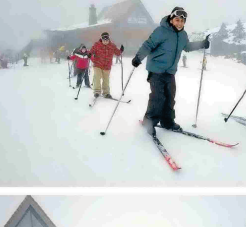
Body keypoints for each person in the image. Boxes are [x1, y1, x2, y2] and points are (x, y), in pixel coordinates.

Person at [131, 7, 210, 137]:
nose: (179, 23)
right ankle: (149, 121)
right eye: (177, 20)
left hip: (170, 71)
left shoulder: (183, 35)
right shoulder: (161, 31)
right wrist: (138, 57)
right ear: (171, 19)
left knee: (170, 97)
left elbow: (188, 47)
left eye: (182, 21)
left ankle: (167, 122)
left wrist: (202, 44)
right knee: (158, 97)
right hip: (156, 70)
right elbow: (148, 44)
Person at [89, 32, 123, 99]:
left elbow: (117, 53)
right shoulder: (97, 45)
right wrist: (90, 54)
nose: (105, 42)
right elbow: (91, 51)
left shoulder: (112, 46)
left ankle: (106, 93)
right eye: (104, 40)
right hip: (97, 64)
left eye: (106, 40)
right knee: (97, 77)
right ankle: (97, 92)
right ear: (101, 39)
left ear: (108, 39)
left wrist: (121, 50)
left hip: (107, 66)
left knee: (106, 80)